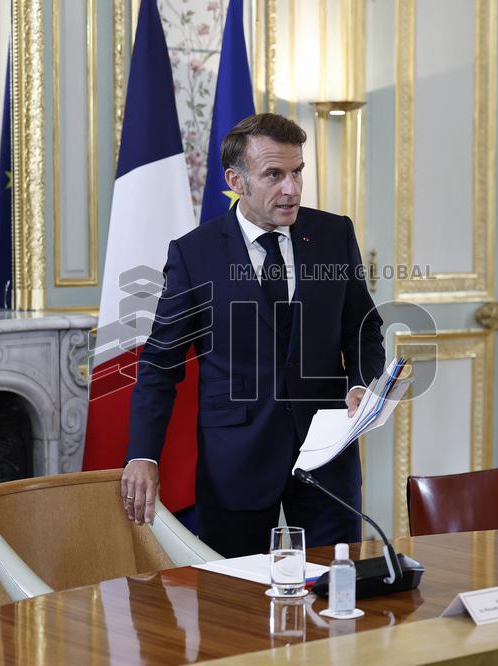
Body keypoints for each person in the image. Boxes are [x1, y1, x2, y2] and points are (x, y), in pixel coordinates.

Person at [121, 113, 385, 557]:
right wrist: (142, 454)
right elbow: (160, 364)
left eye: (298, 172)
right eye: (275, 175)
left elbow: (363, 328)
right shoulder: (194, 255)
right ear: (236, 181)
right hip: (236, 463)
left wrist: (361, 382)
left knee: (338, 599)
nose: (292, 189)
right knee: (233, 607)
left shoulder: (334, 234)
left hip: (327, 457)